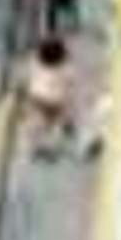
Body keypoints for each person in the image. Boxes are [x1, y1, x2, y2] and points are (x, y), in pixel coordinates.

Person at [25, 28, 77, 159]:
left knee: (39, 124)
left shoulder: (36, 63)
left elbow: (30, 77)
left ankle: (37, 147)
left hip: (39, 99)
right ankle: (50, 146)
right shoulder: (66, 68)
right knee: (53, 124)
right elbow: (70, 88)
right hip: (56, 102)